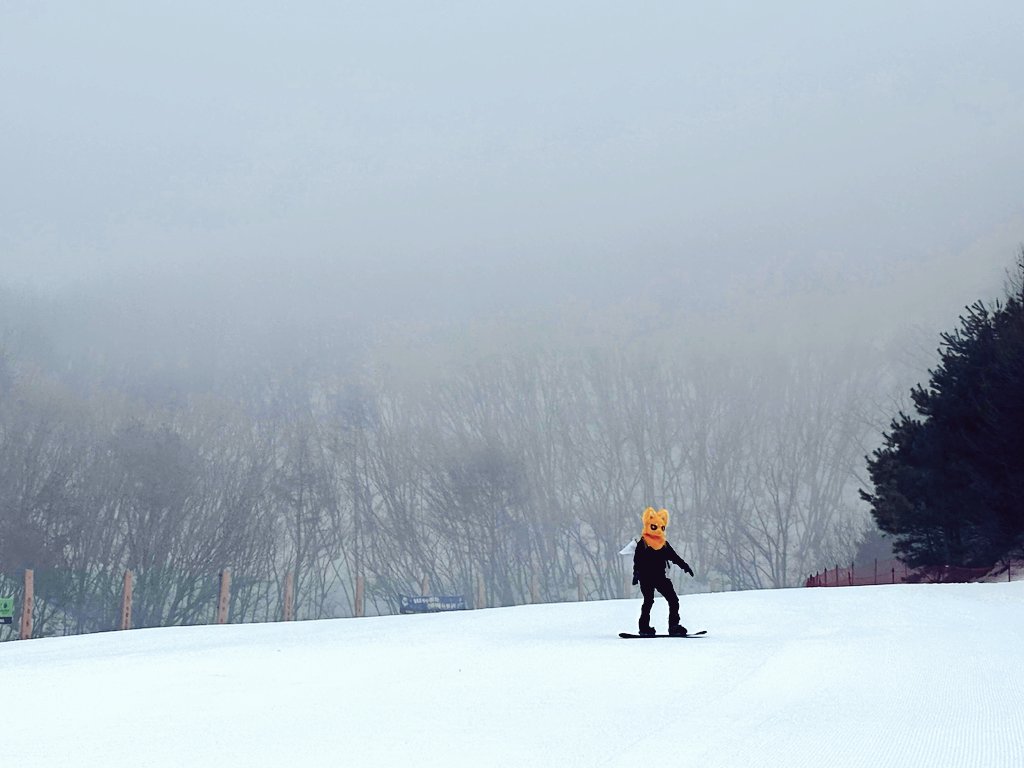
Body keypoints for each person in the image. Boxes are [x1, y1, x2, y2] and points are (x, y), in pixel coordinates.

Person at [632, 506, 694, 636]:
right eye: (654, 527)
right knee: (648, 601)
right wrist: (636, 574)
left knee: (673, 599)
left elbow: (674, 557)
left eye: (662, 527)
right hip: (646, 577)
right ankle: (644, 627)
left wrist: (685, 566)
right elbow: (637, 560)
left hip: (660, 577)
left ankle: (674, 625)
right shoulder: (643, 543)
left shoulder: (663, 544)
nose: (659, 530)